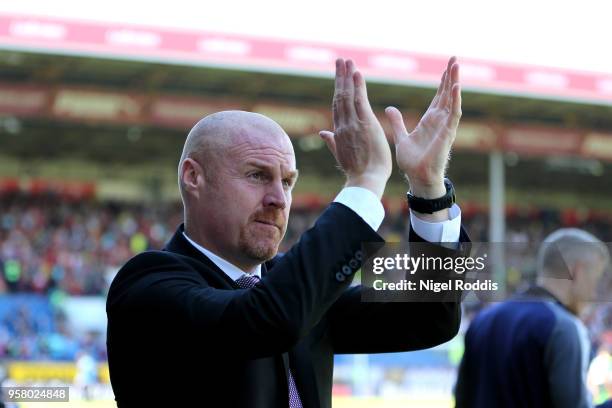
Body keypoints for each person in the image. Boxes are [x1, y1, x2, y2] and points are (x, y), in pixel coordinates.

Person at [106, 57, 469, 407]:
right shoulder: (148, 285)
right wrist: (364, 181)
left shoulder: (291, 288)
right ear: (194, 177)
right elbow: (267, 320)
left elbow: (430, 318)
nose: (279, 198)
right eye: (256, 175)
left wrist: (428, 191)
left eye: (288, 181)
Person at [455, 228, 611, 408]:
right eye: (596, 278)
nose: (594, 293)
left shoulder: (483, 319)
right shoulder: (564, 327)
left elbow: (462, 398)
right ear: (577, 271)